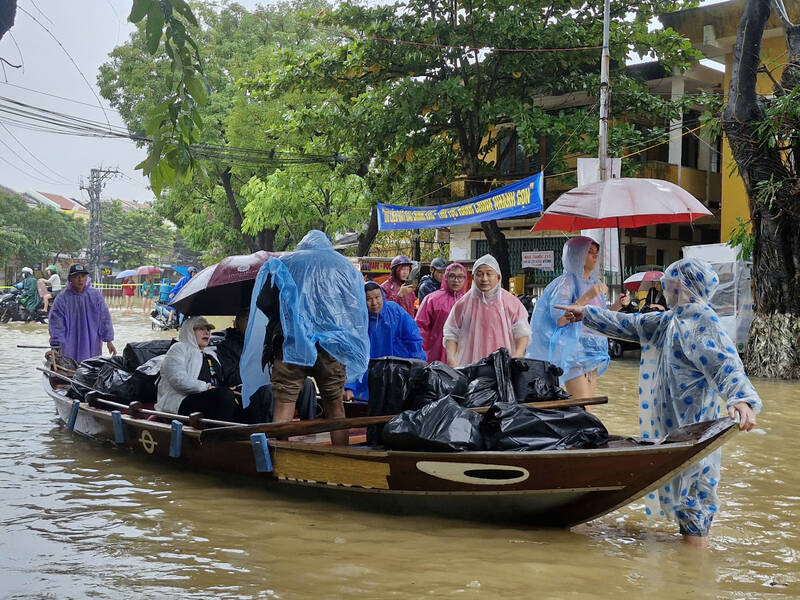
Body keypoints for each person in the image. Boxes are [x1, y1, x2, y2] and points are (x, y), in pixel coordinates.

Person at [555, 258, 761, 547]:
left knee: (696, 489)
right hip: (672, 422)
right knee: (679, 484)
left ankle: (694, 565)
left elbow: (726, 364)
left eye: (670, 285)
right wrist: (587, 314)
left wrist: (741, 399)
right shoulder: (671, 319)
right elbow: (631, 324)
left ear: (685, 287)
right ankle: (686, 563)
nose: (664, 291)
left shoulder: (704, 322)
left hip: (695, 422)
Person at [241, 230, 369, 446]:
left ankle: (278, 454)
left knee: (284, 404)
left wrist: (289, 314)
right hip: (332, 347)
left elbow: (264, 302)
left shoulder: (285, 262)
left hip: (291, 344)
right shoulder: (344, 266)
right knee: (335, 407)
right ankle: (342, 457)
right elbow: (353, 308)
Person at [527, 236, 609, 400]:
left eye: (596, 252)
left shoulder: (594, 282)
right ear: (575, 255)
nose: (595, 256)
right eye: (589, 252)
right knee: (582, 405)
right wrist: (589, 295)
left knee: (587, 406)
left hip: (593, 352)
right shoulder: (566, 282)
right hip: (571, 354)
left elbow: (600, 315)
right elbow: (561, 319)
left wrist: (619, 305)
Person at [442, 254, 530, 367]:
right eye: (479, 274)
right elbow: (451, 333)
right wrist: (451, 358)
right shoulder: (463, 304)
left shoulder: (511, 302)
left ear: (498, 277)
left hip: (503, 365)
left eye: (489, 274)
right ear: (473, 277)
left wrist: (518, 353)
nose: (484, 278)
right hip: (468, 364)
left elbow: (522, 332)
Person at [345, 282, 426, 400]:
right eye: (369, 299)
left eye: (377, 297)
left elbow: (413, 339)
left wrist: (418, 367)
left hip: (397, 371)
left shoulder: (395, 311)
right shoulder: (358, 321)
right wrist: (350, 386)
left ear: (382, 296)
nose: (374, 303)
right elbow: (353, 354)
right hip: (368, 374)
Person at [156, 316, 242, 421]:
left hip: (213, 395)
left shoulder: (211, 354)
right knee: (224, 395)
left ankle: (253, 432)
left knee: (248, 394)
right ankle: (217, 435)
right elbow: (178, 380)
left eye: (208, 330)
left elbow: (221, 379)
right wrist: (208, 388)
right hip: (182, 400)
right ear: (189, 331)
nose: (207, 333)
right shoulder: (179, 348)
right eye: (201, 329)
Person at [49, 264, 116, 364]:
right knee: (71, 367)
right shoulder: (62, 299)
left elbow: (104, 318)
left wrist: (109, 340)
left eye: (83, 276)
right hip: (69, 343)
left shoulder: (95, 295)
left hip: (92, 342)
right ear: (70, 279)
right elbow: (56, 325)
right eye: (76, 276)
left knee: (91, 367)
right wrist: (56, 346)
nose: (80, 279)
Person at [415, 262, 468, 363]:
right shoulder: (432, 300)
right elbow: (420, 327)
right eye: (452, 276)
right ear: (446, 277)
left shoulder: (470, 301)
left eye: (460, 277)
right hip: (435, 353)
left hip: (463, 354)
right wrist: (420, 353)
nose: (456, 280)